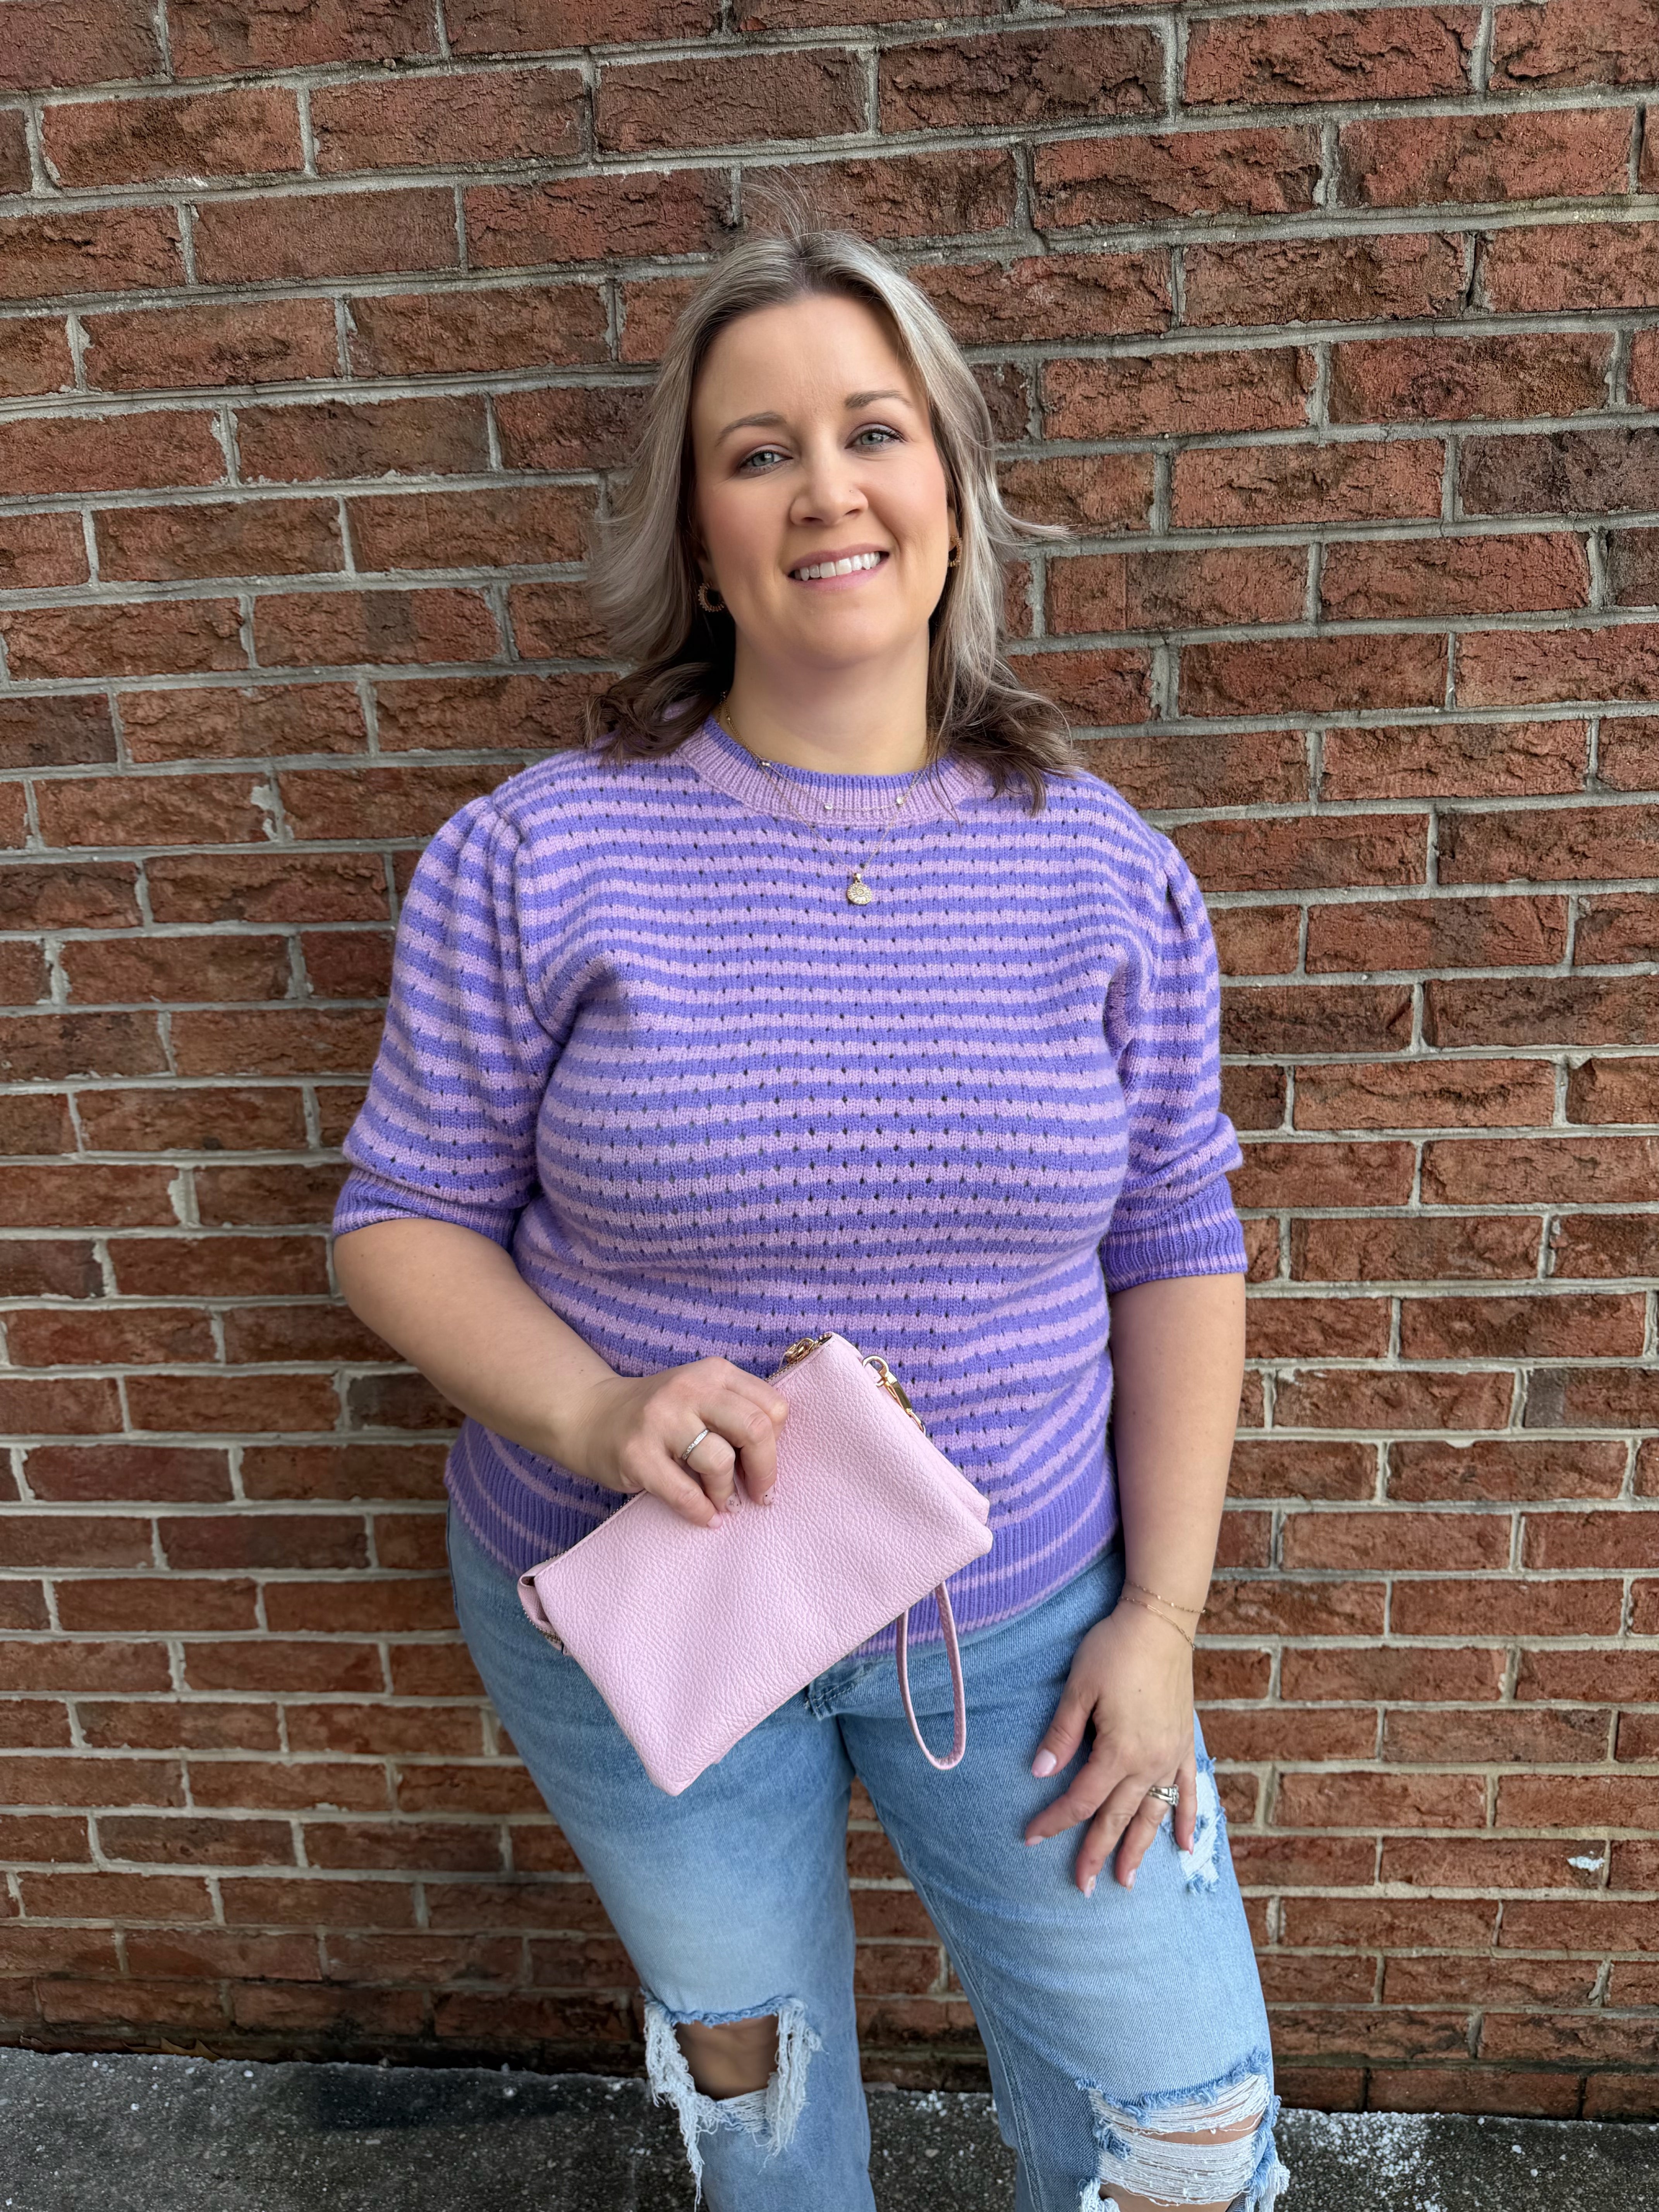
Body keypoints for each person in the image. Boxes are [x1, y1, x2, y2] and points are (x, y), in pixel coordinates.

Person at [330, 215, 1288, 2212]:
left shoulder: (1106, 873)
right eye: (757, 452)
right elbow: (401, 1218)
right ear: (699, 535)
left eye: (874, 431)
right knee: (759, 2108)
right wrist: (596, 1409)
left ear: (952, 488)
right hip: (638, 1610)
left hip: (1028, 1634)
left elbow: (1176, 1242)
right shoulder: (537, 857)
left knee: (1184, 2138)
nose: (826, 489)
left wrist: (1165, 1618)